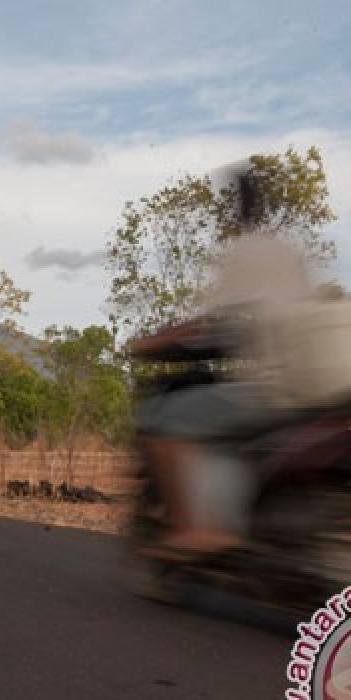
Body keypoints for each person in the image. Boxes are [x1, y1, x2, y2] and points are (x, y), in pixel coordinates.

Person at [130, 170, 317, 561]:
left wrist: (152, 342)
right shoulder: (289, 254)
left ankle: (196, 530)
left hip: (271, 389)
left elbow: (207, 323)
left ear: (236, 211)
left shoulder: (242, 253)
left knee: (164, 425)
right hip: (312, 387)